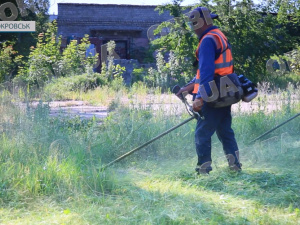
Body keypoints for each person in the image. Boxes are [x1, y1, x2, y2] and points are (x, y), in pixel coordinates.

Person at [176, 7, 242, 174]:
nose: (193, 28)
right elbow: (210, 70)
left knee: (202, 135)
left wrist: (199, 97)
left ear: (202, 22)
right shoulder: (219, 36)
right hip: (225, 93)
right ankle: (235, 168)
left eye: (194, 24)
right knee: (226, 132)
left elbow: (206, 72)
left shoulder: (207, 40)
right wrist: (188, 88)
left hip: (212, 95)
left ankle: (203, 171)